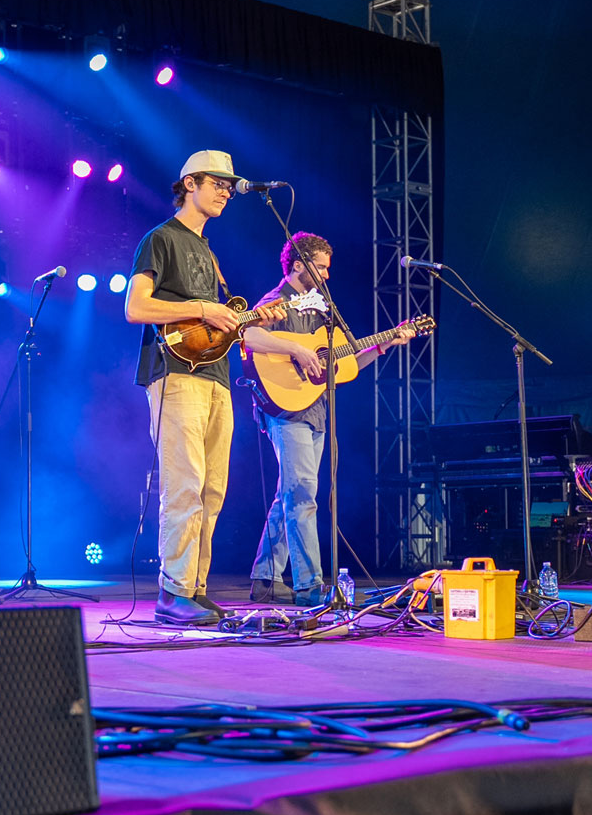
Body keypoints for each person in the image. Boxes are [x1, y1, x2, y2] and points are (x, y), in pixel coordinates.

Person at [123, 151, 283, 626]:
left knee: (212, 489)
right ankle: (171, 592)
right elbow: (136, 308)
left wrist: (252, 321)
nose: (227, 193)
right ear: (190, 183)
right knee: (185, 486)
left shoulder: (209, 253)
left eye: (230, 188)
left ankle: (194, 588)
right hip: (174, 374)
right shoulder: (161, 239)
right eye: (218, 184)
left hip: (215, 377)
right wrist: (201, 307)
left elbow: (219, 329)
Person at [244, 233, 411, 605]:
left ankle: (265, 577)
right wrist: (295, 349)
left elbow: (346, 364)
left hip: (316, 409)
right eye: (320, 268)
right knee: (303, 495)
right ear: (298, 266)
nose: (326, 275)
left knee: (290, 494)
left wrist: (383, 344)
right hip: (286, 408)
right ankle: (309, 585)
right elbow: (249, 336)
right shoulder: (275, 302)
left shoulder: (321, 309)